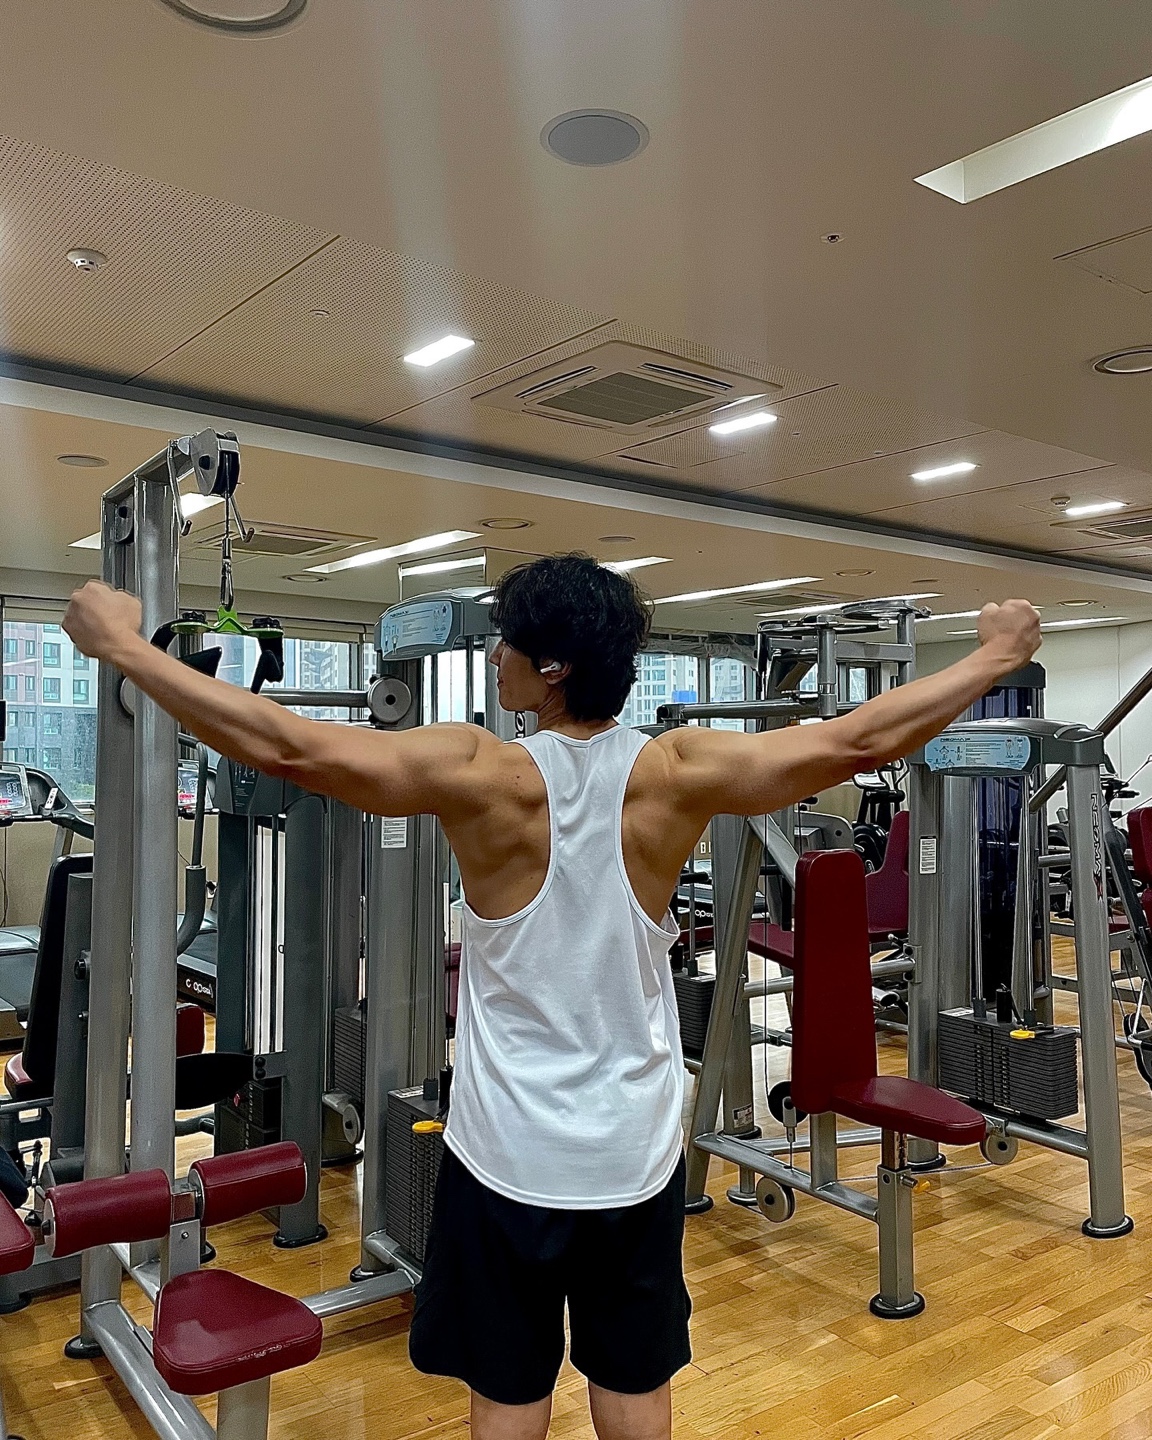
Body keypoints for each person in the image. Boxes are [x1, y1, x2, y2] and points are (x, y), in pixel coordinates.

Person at [63, 556, 1041, 1440]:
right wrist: (994, 656)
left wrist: (124, 649)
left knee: (510, 1392)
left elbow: (291, 750)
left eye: (509, 643)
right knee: (633, 1383)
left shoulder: (481, 773)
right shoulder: (675, 771)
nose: (496, 657)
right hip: (633, 1154)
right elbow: (858, 740)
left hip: (508, 1157)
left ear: (555, 667)